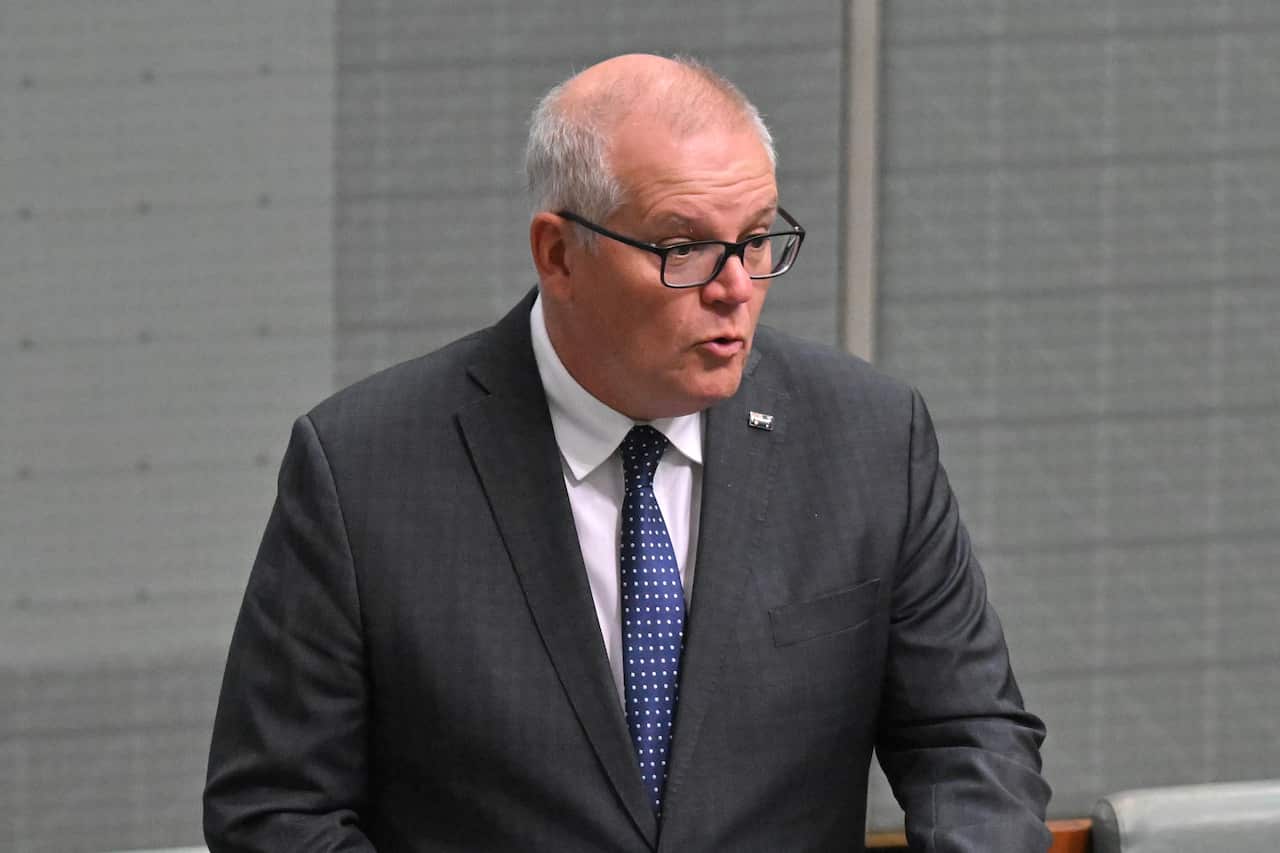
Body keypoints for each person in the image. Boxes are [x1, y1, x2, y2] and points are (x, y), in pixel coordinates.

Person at [204, 53, 1051, 852]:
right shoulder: (363, 470)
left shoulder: (868, 437)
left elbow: (971, 741)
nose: (734, 288)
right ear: (560, 254)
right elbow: (278, 810)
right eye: (682, 247)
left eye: (756, 239)